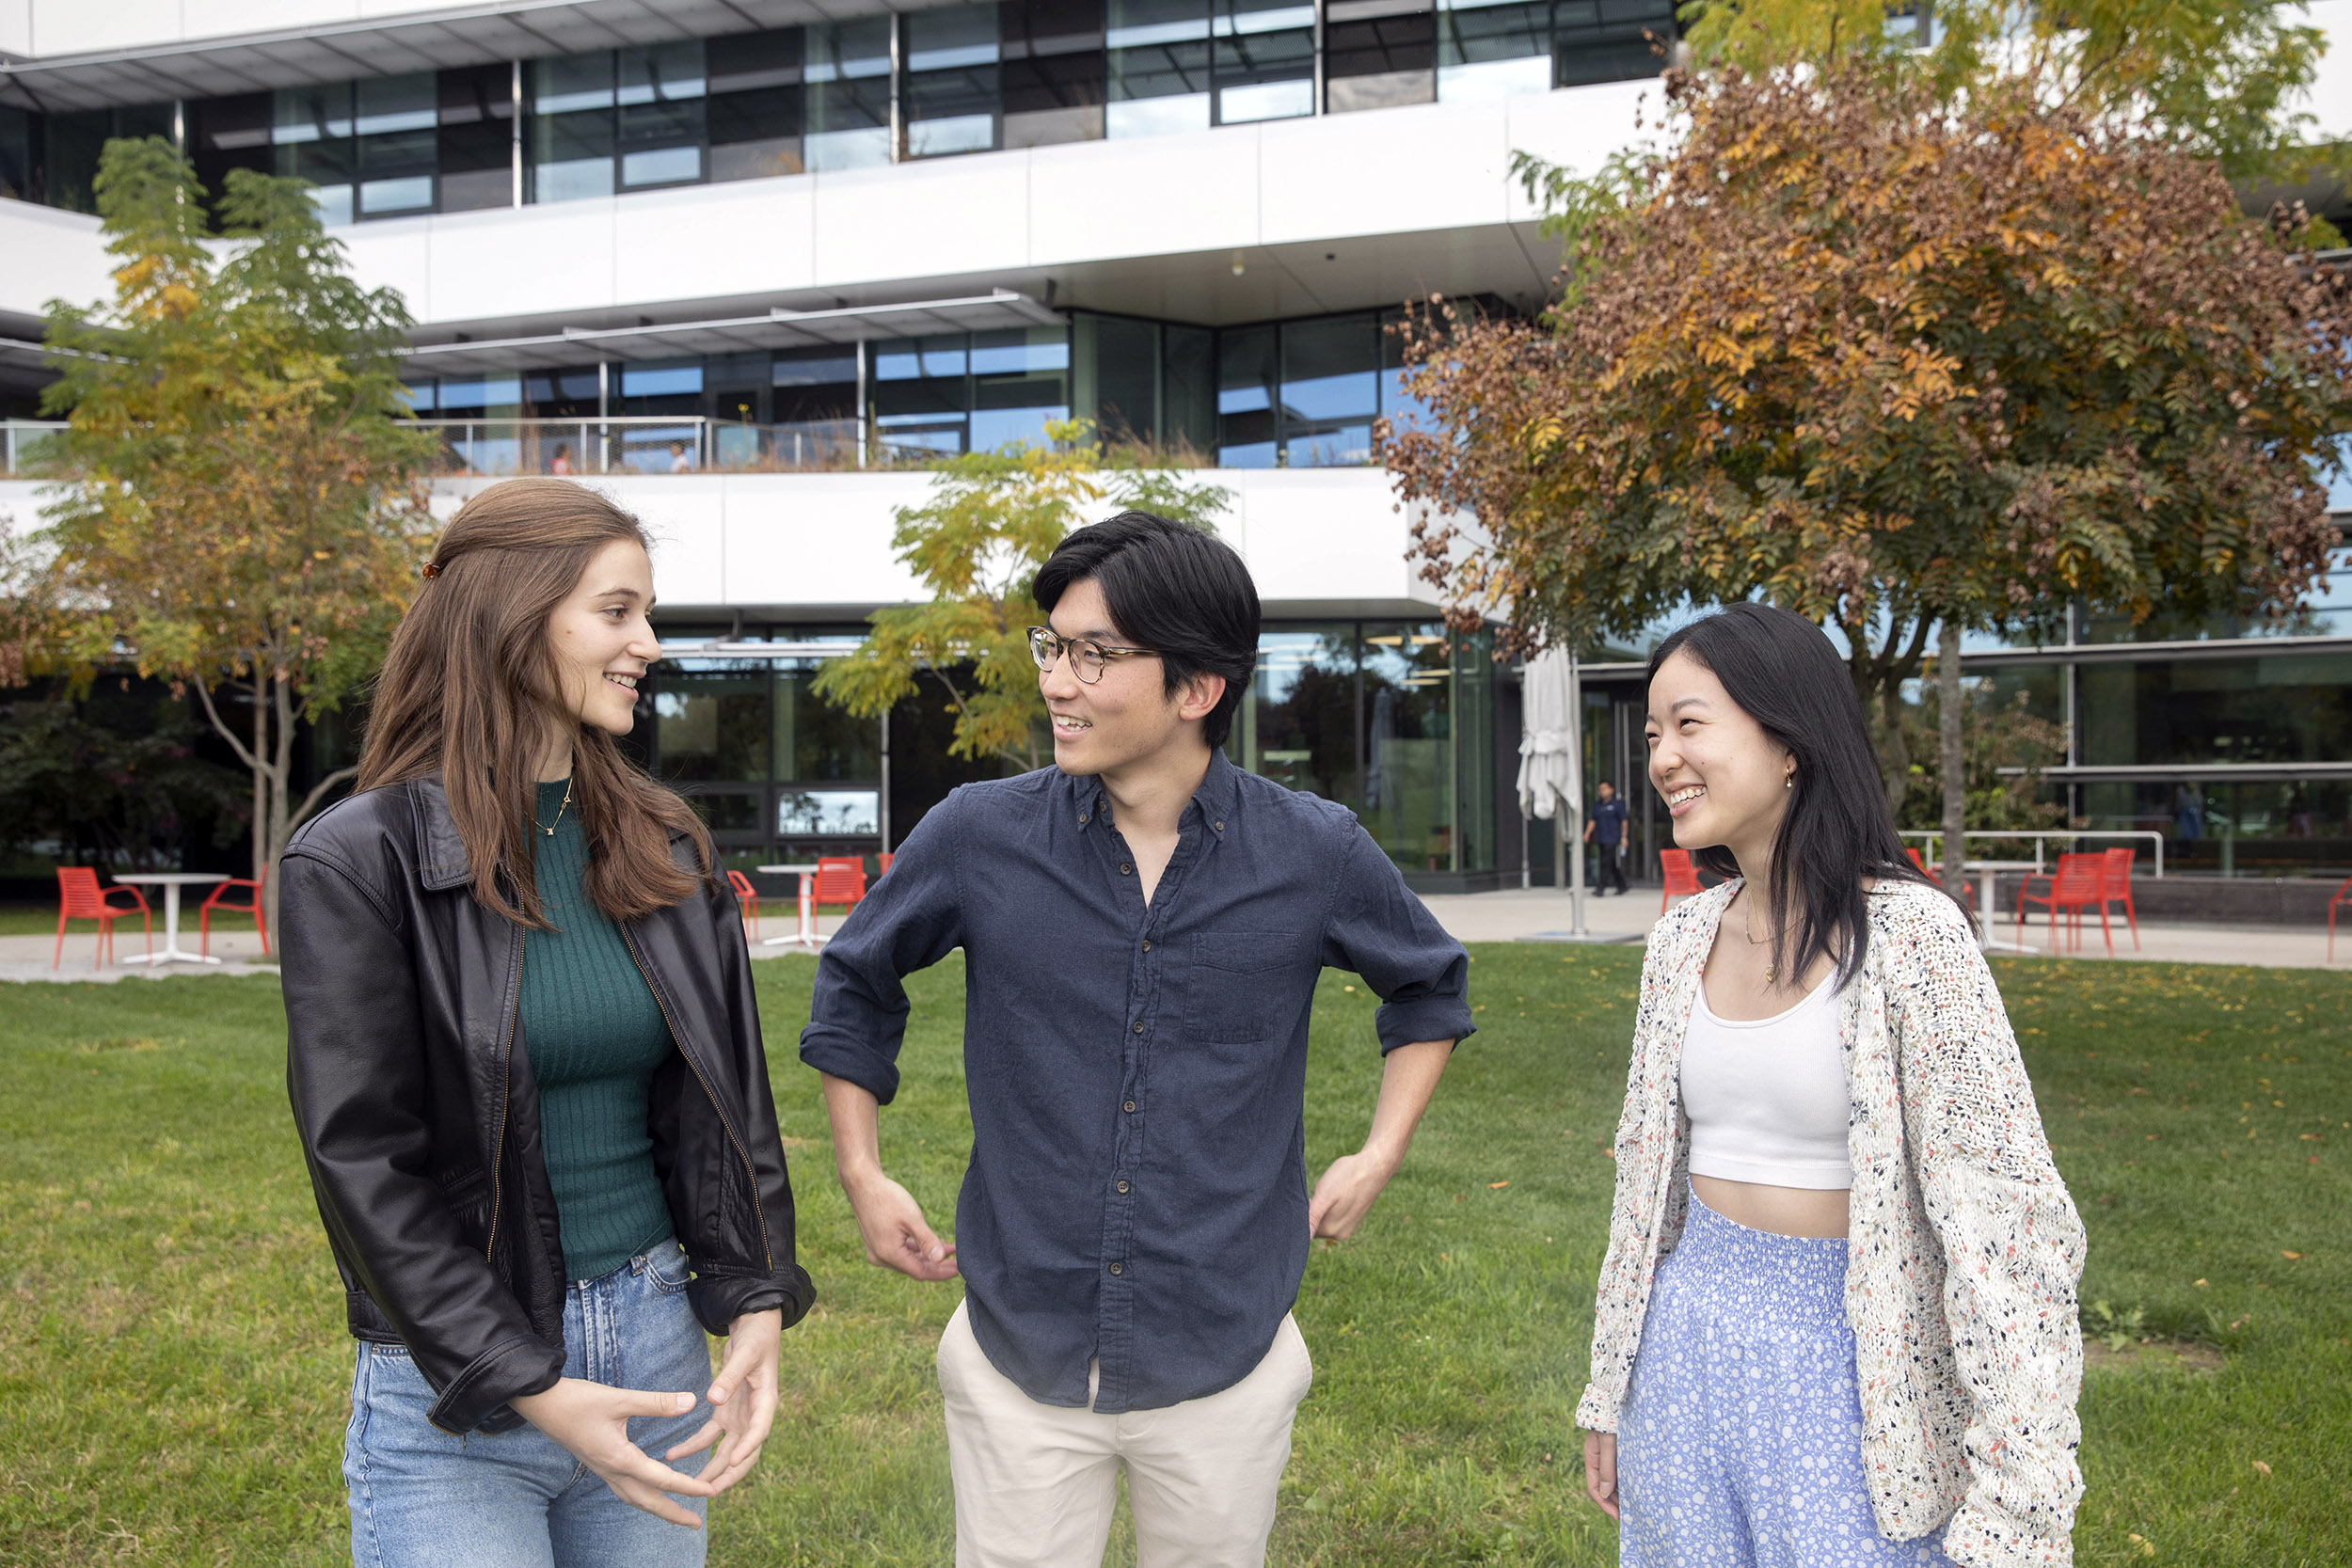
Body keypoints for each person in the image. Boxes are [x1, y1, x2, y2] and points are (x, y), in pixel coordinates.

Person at [800, 510, 1474, 1568]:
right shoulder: (978, 833)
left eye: (1095, 654)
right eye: (1052, 647)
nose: (1057, 681)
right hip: (1017, 1348)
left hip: (1225, 1351)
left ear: (1196, 689)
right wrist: (859, 1169)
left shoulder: (1315, 851)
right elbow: (855, 976)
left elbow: (1429, 987)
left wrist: (1378, 1150)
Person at [279, 479, 815, 1568]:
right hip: (458, 1385)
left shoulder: (666, 843)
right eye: (617, 612)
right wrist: (520, 1375)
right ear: (512, 615)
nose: (649, 643)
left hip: (657, 1343)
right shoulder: (355, 858)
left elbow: (726, 1096)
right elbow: (362, 1162)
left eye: (646, 613)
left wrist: (755, 1293)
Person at [1577, 602, 2085, 1568]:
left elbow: (2009, 1231)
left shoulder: (1912, 940)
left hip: (1853, 1361)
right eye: (1651, 734)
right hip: (1684, 1346)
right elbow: (1643, 1192)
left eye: (1689, 724)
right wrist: (1612, 1383)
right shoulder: (1679, 939)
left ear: (1788, 743)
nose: (1661, 759)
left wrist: (2021, 1505)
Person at [1584, 779, 1629, 895]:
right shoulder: (1598, 805)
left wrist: (1624, 836)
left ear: (1611, 790)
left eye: (1604, 789)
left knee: (1605, 863)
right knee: (1611, 863)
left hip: (1612, 838)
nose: (1602, 792)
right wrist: (1587, 833)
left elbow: (1624, 821)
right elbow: (1593, 820)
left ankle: (1601, 888)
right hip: (1601, 838)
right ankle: (1622, 885)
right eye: (1600, 789)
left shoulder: (1617, 804)